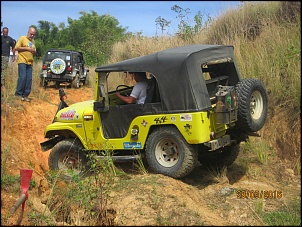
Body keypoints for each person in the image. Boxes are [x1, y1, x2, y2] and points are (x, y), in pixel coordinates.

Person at [14, 26, 36, 102]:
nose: (32, 36)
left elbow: (34, 50)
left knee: (29, 79)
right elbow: (17, 48)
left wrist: (33, 51)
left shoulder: (33, 41)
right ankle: (18, 94)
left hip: (30, 62)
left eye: (33, 34)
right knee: (22, 77)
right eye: (31, 34)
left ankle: (25, 95)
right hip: (22, 60)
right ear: (28, 32)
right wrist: (27, 49)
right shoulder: (22, 38)